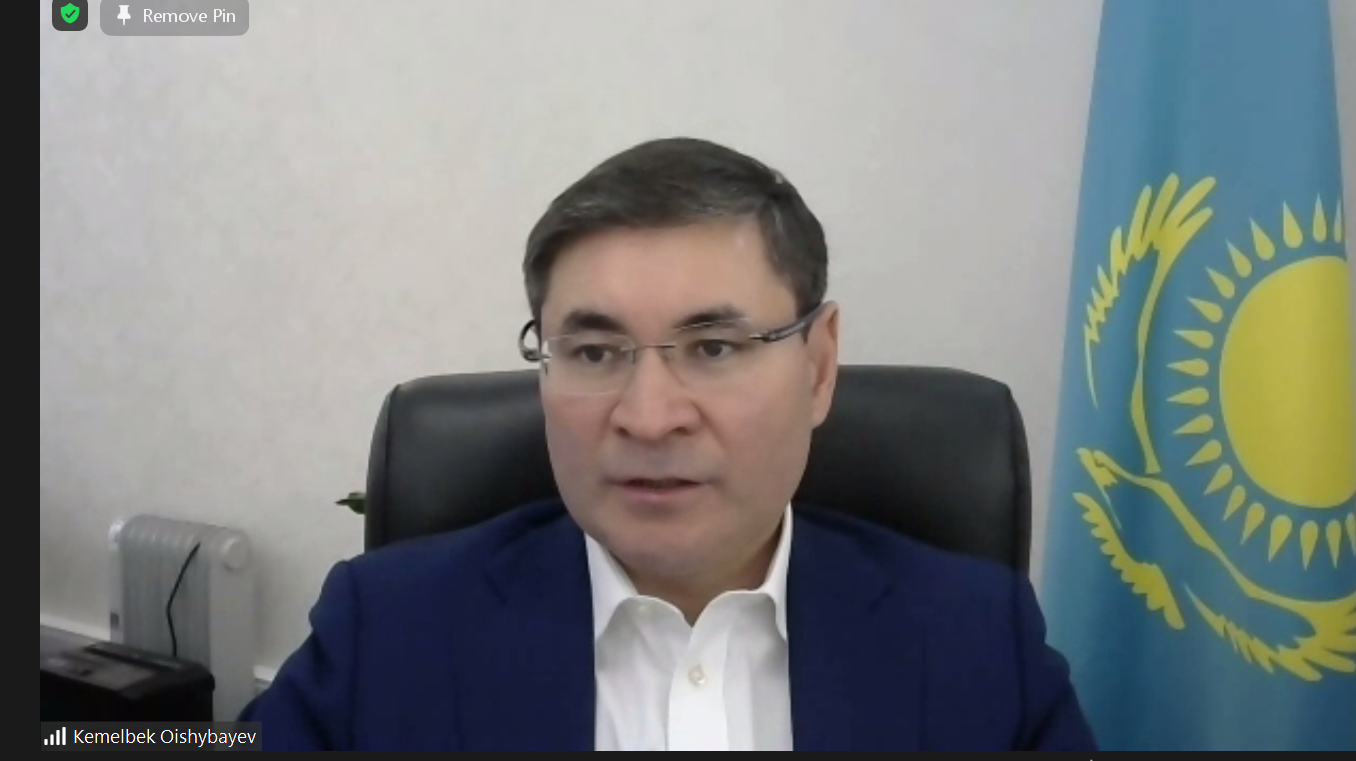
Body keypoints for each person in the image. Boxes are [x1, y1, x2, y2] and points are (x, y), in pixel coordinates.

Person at [239, 137, 1097, 750]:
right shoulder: (387, 629)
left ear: (819, 367)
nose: (649, 418)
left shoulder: (976, 640)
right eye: (595, 352)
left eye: (714, 348)